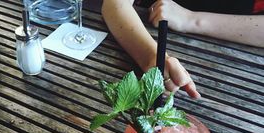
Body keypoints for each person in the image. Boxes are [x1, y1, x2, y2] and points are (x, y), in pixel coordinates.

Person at [101, 0, 264, 99]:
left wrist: (192, 19)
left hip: (244, 67)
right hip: (146, 38)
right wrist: (150, 56)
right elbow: (114, 3)